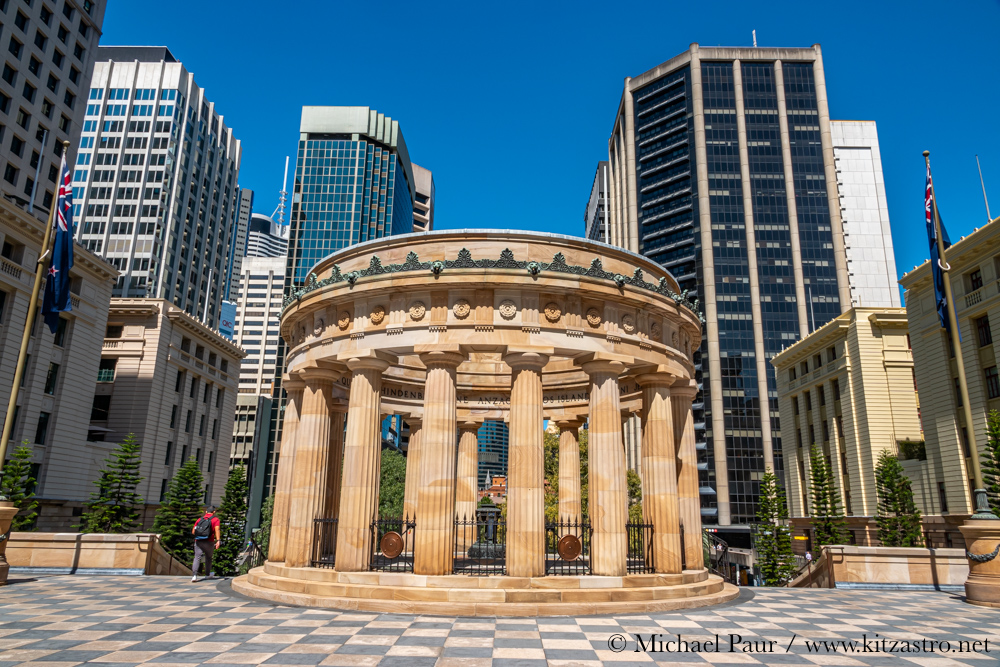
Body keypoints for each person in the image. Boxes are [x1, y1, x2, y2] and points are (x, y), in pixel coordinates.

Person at [191, 505, 221, 582]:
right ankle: (207, 574)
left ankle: (194, 575)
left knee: (197, 557)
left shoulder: (199, 519)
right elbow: (217, 530)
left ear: (206, 512)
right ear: (214, 512)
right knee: (208, 558)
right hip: (209, 541)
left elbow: (193, 531)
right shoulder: (215, 520)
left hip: (198, 541)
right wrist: (218, 540)